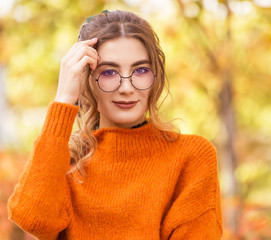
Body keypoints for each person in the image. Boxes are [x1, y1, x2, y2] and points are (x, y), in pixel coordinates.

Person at [7, 10, 223, 239]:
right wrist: (63, 100)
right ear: (86, 80)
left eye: (141, 70)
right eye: (109, 72)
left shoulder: (191, 156)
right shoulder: (64, 161)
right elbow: (34, 220)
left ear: (156, 77)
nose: (126, 88)